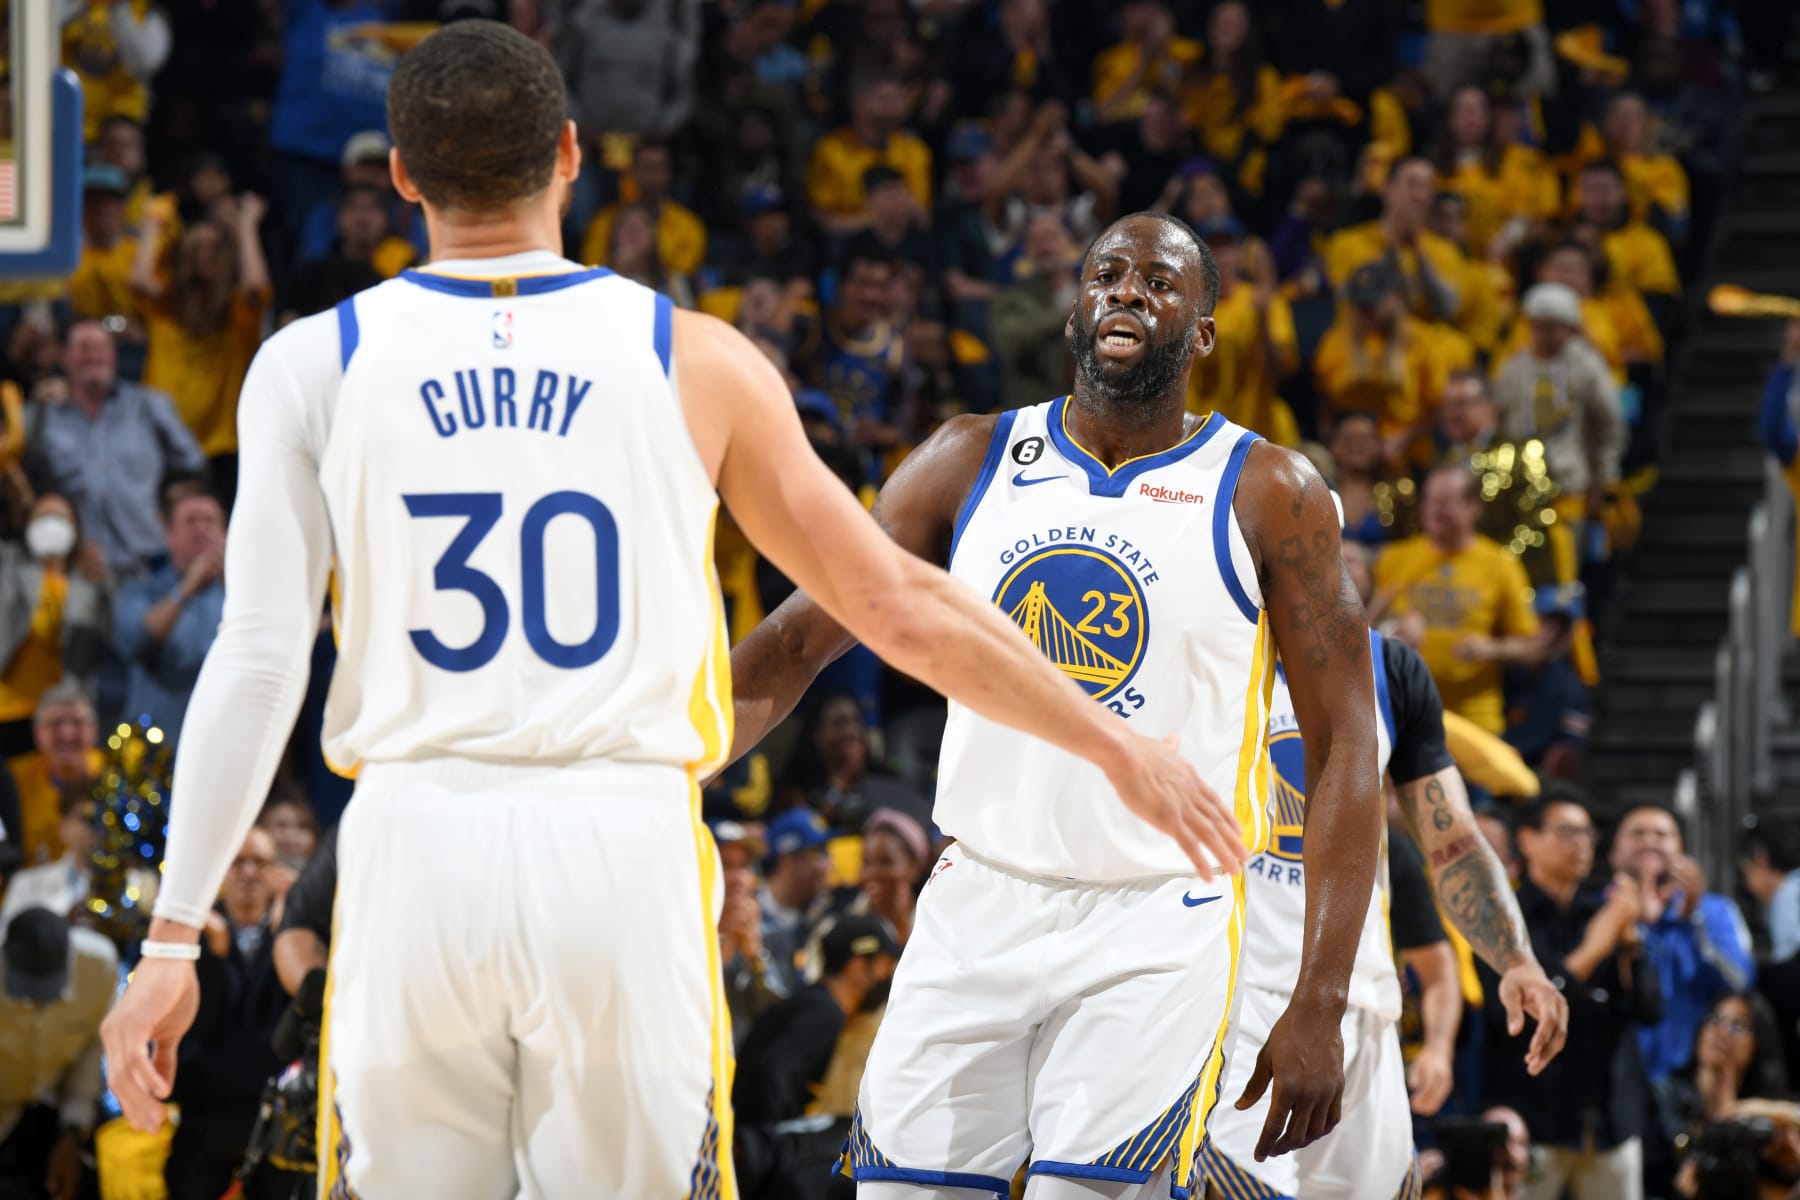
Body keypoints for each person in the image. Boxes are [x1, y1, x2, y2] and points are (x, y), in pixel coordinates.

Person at [99, 24, 1234, 1200]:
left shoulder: (308, 362)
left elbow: (258, 657)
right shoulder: (695, 357)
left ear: (398, 173)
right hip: (619, 843)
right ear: (574, 156)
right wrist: (1114, 746)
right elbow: (894, 602)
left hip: (411, 845)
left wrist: (173, 935)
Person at [727, 210, 1384, 1198]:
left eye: (1159, 282)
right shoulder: (966, 458)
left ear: (1202, 330)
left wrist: (1319, 999)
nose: (1127, 290)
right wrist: (657, 755)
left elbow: (1343, 749)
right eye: (1107, 274)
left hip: (1160, 915)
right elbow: (794, 642)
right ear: (1077, 306)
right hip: (978, 897)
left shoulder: (1269, 491)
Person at [1203, 620, 1566, 1200]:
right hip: (1227, 999)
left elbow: (1453, 841)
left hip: (1359, 1003)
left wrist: (1517, 959)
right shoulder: (1204, 637)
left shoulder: (1389, 668)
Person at [1482, 791, 1661, 1200]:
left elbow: (1650, 1010)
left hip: (1611, 1117)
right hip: (1535, 1119)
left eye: (1586, 832)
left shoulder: (1601, 910)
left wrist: (1630, 946)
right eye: (1566, 831)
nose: (1581, 843)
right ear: (1527, 840)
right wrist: (1598, 944)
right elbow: (1507, 1013)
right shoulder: (1502, 918)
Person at [1374, 462, 1553, 735]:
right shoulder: (1393, 558)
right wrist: (1393, 625)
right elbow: (1361, 627)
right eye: (1430, 500)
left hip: (1474, 723)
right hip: (1401, 716)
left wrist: (1493, 648)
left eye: (1446, 502)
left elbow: (1534, 648)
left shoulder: (1500, 565)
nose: (1435, 509)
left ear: (1474, 507)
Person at [163, 827, 290, 1200]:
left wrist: (282, 942)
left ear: (276, 874)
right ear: (219, 873)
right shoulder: (189, 935)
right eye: (237, 863)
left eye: (260, 863)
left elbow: (286, 1030)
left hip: (274, 1120)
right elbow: (193, 1030)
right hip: (206, 1114)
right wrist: (214, 958)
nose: (248, 873)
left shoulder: (293, 937)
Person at [27, 321, 206, 573]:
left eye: (103, 346)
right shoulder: (41, 417)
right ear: (64, 356)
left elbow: (195, 467)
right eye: (84, 347)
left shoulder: (148, 406)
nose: (94, 355)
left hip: (151, 563)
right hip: (77, 568)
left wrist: (171, 507)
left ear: (114, 354)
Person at [130, 194, 273, 507]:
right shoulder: (167, 309)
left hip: (223, 448)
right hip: (163, 442)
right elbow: (140, 280)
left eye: (215, 249)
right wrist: (154, 225)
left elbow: (255, 285)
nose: (206, 255)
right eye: (198, 247)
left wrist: (246, 227)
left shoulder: (238, 317)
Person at [1609, 805, 1754, 1085]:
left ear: (1681, 849)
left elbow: (1740, 983)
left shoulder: (1715, 912)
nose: (1649, 841)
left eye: (1662, 834)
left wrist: (1692, 919)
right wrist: (1637, 924)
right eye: (1637, 833)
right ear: (1613, 851)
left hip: (1694, 1077)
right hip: (1616, 1077)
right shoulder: (1597, 911)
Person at [732, 913, 901, 1125]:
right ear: (858, 967)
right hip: (749, 1139)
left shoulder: (816, 1003)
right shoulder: (824, 1012)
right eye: (884, 965)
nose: (888, 975)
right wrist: (767, 1145)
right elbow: (773, 1075)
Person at [0, 908, 118, 1200]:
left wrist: (72, 1133)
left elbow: (91, 1054)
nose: (38, 1001)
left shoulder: (99, 965)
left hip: (56, 1105)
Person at [0, 494, 112, 759]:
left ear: (75, 528)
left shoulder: (87, 581)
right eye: (42, 517)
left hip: (61, 717)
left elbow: (107, 640)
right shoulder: (10, 566)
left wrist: (102, 586)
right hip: (8, 708)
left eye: (60, 518)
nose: (51, 525)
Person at [112, 489, 227, 747]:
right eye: (190, 521)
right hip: (156, 749)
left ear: (225, 533)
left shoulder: (242, 596)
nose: (201, 529)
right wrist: (186, 588)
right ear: (170, 535)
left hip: (221, 740)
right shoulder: (140, 590)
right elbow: (134, 642)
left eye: (210, 521)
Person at [0, 791, 157, 935]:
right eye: (87, 819)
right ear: (62, 827)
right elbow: (5, 947)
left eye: (106, 818)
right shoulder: (27, 884)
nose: (97, 828)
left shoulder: (140, 886)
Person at [6, 684, 104, 871]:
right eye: (55, 724)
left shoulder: (114, 776)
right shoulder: (13, 783)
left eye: (78, 722)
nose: (67, 734)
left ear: (95, 730)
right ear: (37, 733)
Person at [578, 137, 707, 278]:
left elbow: (683, 274)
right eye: (646, 167)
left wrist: (650, 262)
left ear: (669, 173)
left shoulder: (688, 225)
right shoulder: (603, 221)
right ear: (631, 171)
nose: (652, 175)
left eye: (658, 167)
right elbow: (591, 268)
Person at [991, 210, 1079, 412]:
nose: (1044, 246)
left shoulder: (1094, 292)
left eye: (1052, 237)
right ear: (1026, 250)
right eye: (1035, 240)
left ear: (1071, 244)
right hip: (1032, 411)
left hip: (1087, 413)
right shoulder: (1011, 299)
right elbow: (1013, 342)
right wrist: (1069, 312)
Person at [1741, 820, 1800, 964]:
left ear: (1761, 859)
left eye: (1744, 869)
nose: (1745, 880)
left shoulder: (1786, 897)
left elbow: (1789, 968)